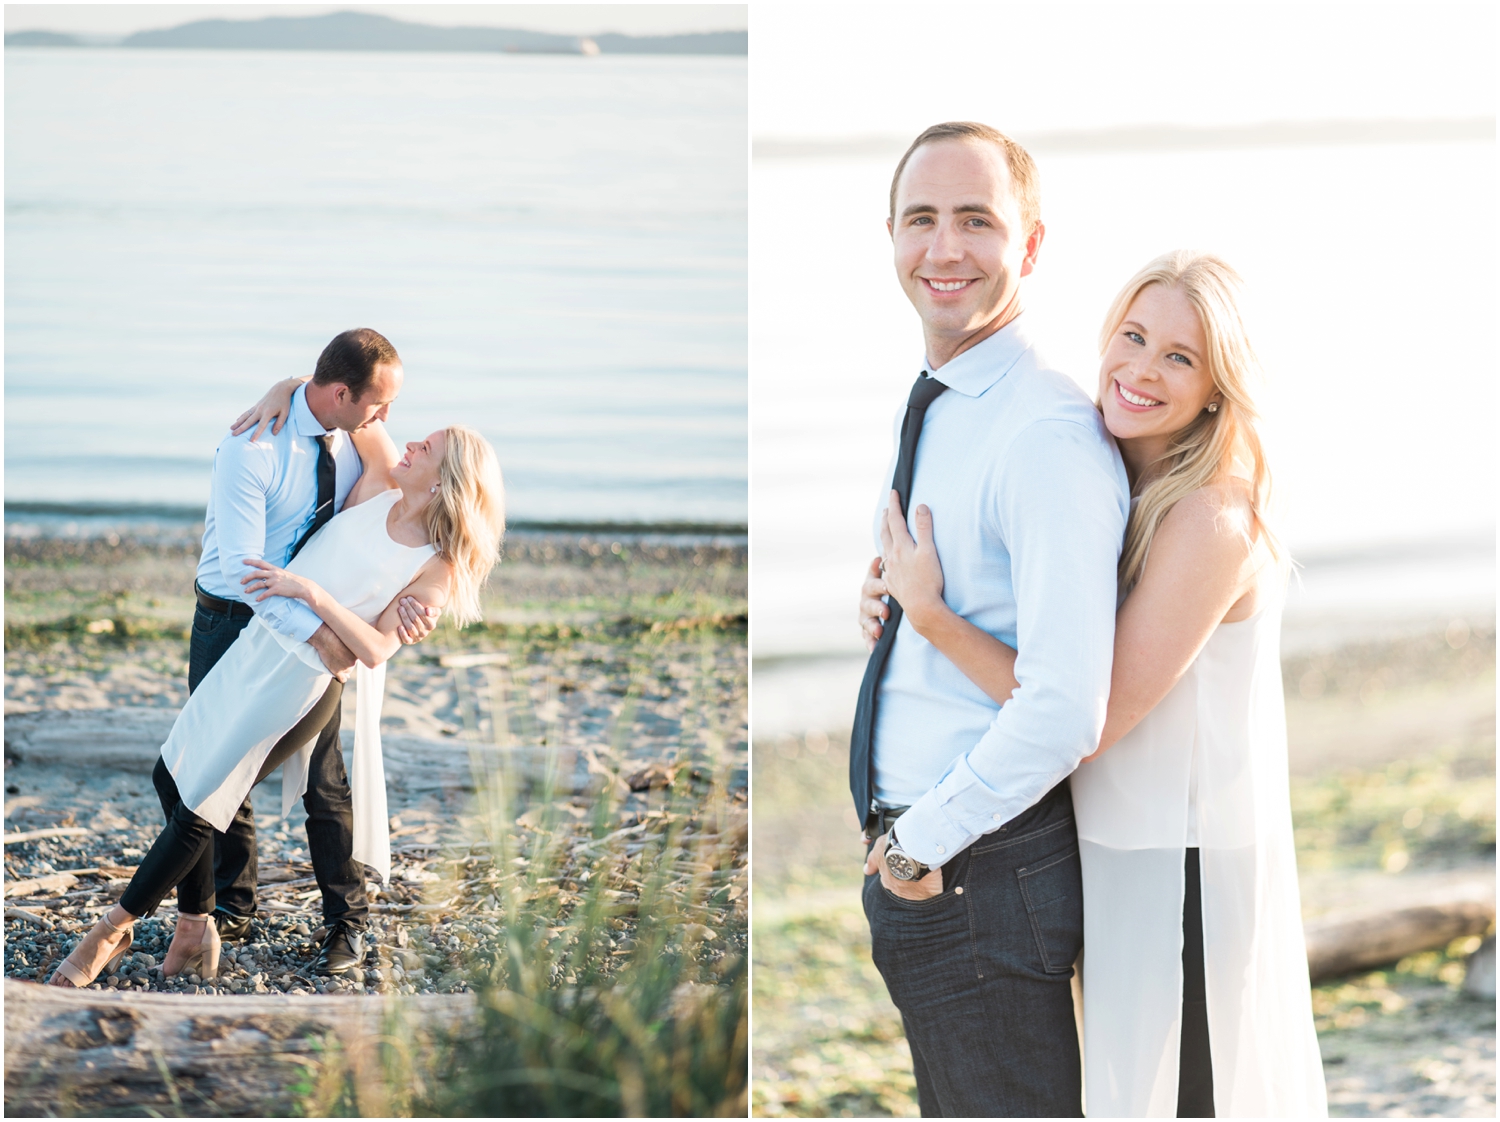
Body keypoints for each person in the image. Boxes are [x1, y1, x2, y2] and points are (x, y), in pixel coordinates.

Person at [866, 251, 1327, 1115]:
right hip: (1112, 849)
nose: (1141, 370)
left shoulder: (1213, 515)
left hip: (1187, 869)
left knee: (1191, 1098)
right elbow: (1051, 643)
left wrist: (935, 622)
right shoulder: (1119, 479)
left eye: (1179, 358)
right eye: (1133, 336)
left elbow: (1092, 713)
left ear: (1219, 387)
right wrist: (894, 602)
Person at [848, 122, 1129, 1117]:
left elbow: (1064, 707)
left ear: (1033, 244)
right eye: (921, 219)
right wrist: (892, 605)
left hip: (977, 865)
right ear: (889, 234)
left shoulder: (1045, 431)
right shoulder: (941, 397)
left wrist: (921, 846)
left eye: (977, 220)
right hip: (935, 861)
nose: (945, 248)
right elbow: (967, 603)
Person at [49, 418, 503, 989]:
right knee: (172, 774)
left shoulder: (434, 567)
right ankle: (196, 926)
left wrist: (311, 593)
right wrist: (282, 391)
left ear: (443, 482)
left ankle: (113, 928)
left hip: (303, 680)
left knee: (206, 802)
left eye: (427, 448)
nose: (411, 444)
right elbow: (351, 401)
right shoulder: (380, 491)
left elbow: (376, 649)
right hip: (256, 645)